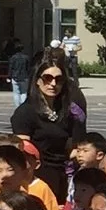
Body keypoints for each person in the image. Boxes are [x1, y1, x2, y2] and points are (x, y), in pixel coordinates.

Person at [12, 59, 79, 198]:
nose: (53, 84)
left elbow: (70, 147)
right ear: (37, 80)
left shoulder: (66, 112)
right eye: (47, 78)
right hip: (38, 177)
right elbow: (24, 152)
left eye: (59, 79)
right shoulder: (25, 112)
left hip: (64, 175)